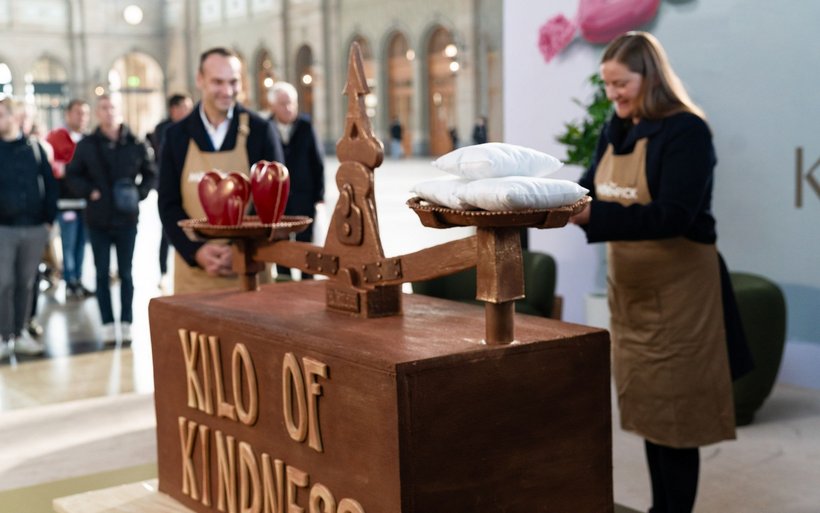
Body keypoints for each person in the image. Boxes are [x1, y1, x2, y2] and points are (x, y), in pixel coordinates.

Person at [569, 32, 749, 513]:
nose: (613, 95)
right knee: (650, 412)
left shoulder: (686, 131)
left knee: (679, 420)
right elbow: (590, 188)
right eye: (607, 86)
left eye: (620, 83)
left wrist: (595, 217)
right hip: (632, 295)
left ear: (649, 77)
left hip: (682, 297)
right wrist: (558, 202)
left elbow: (674, 216)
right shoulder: (616, 128)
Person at [158, 47, 284, 294]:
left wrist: (239, 250)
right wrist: (197, 251)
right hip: (194, 274)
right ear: (200, 79)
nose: (227, 91)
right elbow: (168, 204)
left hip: (250, 271)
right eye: (217, 82)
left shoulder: (261, 132)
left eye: (233, 82)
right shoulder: (175, 137)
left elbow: (276, 204)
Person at [66, 95, 156, 344]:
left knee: (126, 272)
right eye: (104, 108)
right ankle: (107, 323)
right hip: (98, 219)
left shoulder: (135, 143)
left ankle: (127, 321)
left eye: (112, 108)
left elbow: (150, 174)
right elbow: (73, 175)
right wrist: (89, 191)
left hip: (127, 218)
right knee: (102, 273)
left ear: (120, 111)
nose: (109, 112)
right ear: (98, 113)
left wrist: (138, 194)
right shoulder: (87, 144)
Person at [0, 97, 58, 359]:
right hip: (4, 228)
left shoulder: (33, 148)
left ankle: (21, 331)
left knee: (26, 282)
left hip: (34, 227)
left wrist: (48, 219)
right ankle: (4, 336)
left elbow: (50, 183)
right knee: (4, 283)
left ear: (13, 117)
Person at [267, 81, 324, 280]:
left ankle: (307, 284)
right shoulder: (266, 128)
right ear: (273, 106)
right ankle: (284, 283)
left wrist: (319, 195)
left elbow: (317, 162)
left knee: (305, 244)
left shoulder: (305, 126)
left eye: (292, 103)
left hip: (304, 197)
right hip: (277, 202)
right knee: (280, 246)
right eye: (283, 103)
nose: (289, 108)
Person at [47, 99, 93, 299]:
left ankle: (79, 279)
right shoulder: (56, 137)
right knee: (68, 243)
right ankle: (70, 281)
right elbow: (51, 165)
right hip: (66, 202)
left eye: (84, 113)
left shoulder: (89, 140)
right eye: (77, 112)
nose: (81, 117)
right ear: (68, 114)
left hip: (86, 202)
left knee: (82, 243)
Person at [148, 93, 193, 289]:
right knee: (167, 231)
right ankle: (164, 271)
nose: (187, 111)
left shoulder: (193, 127)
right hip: (170, 185)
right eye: (183, 107)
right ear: (174, 109)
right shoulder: (164, 130)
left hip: (191, 184)